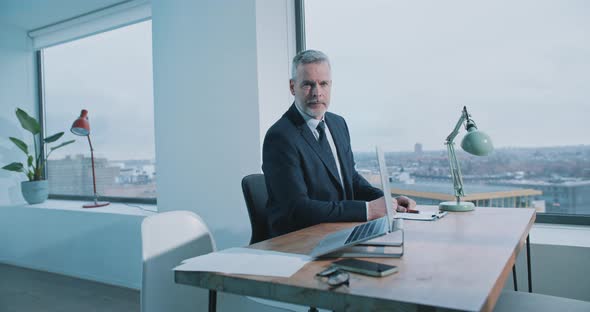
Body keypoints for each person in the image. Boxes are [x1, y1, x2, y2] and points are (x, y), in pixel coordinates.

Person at [262, 49, 416, 237]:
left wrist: (387, 202)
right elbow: (298, 209)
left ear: (331, 86)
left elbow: (350, 180)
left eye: (323, 84)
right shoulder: (280, 137)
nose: (317, 93)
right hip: (298, 241)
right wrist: (367, 210)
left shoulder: (337, 124)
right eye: (308, 84)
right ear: (293, 87)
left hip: (338, 232)